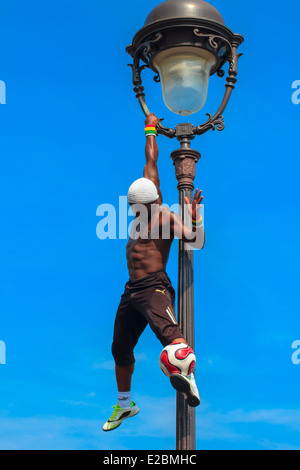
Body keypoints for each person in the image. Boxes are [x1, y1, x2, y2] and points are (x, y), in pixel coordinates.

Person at [102, 113, 205, 432]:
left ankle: (188, 376)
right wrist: (150, 128)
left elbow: (195, 241)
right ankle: (124, 405)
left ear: (152, 203)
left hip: (154, 288)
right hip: (130, 291)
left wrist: (194, 216)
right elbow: (151, 157)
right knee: (119, 348)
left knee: (173, 343)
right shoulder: (148, 190)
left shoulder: (165, 217)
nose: (137, 216)